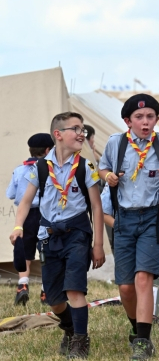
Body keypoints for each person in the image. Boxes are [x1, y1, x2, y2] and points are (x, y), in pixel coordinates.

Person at [99, 94, 159, 359]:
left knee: (143, 279)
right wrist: (108, 176)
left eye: (150, 116)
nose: (145, 122)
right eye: (139, 117)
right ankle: (135, 328)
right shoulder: (116, 143)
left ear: (156, 119)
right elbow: (103, 167)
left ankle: (143, 341)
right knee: (126, 287)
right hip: (123, 219)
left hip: (152, 219)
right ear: (128, 121)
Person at [9, 112, 105, 358]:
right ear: (58, 135)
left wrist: (98, 245)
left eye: (82, 128)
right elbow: (25, 201)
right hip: (49, 236)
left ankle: (81, 341)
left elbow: (96, 206)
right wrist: (19, 226)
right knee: (54, 300)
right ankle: (70, 328)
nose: (81, 133)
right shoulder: (40, 167)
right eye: (76, 128)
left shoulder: (86, 165)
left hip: (77, 234)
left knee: (75, 289)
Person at [6, 133, 54, 306]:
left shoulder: (20, 170)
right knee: (47, 250)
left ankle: (22, 285)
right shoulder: (51, 168)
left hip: (25, 215)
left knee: (25, 250)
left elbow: (11, 194)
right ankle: (45, 289)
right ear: (48, 150)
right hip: (45, 213)